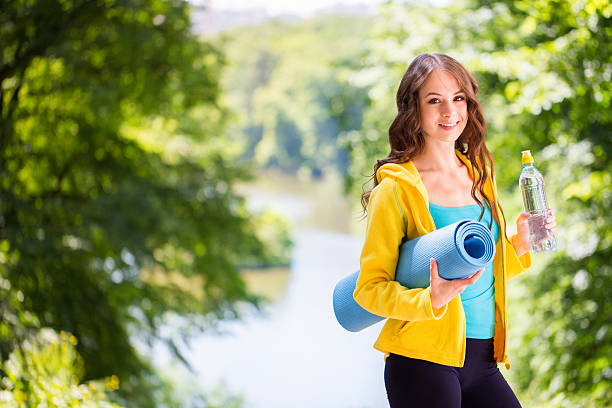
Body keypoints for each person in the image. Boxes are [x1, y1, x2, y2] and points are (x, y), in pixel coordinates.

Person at [353, 53, 556, 408]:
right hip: (422, 359)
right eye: (435, 100)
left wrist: (519, 244)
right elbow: (369, 291)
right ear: (413, 109)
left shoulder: (479, 174)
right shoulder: (397, 189)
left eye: (458, 98)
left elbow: (477, 270)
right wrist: (429, 299)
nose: (450, 112)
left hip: (483, 357)